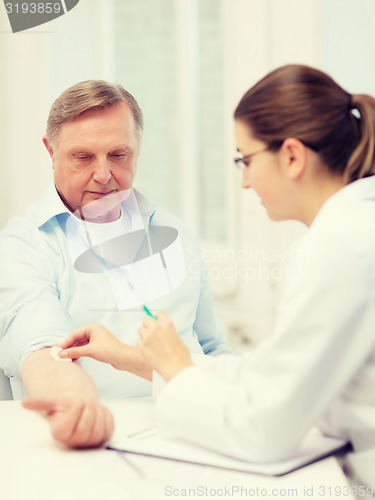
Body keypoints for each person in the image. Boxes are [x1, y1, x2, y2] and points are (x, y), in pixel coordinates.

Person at [55, 65, 375, 487]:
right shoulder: (353, 228)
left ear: (293, 156)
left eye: (245, 160)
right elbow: (269, 377)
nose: (244, 182)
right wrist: (154, 360)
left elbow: (261, 429)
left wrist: (178, 369)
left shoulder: (338, 248)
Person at [0, 80, 232, 448]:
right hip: (91, 438)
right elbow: (43, 350)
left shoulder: (175, 232)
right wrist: (75, 405)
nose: (104, 175)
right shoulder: (24, 245)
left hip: (195, 432)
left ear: (137, 149)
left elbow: (211, 345)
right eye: (83, 157)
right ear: (51, 151)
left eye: (119, 155)